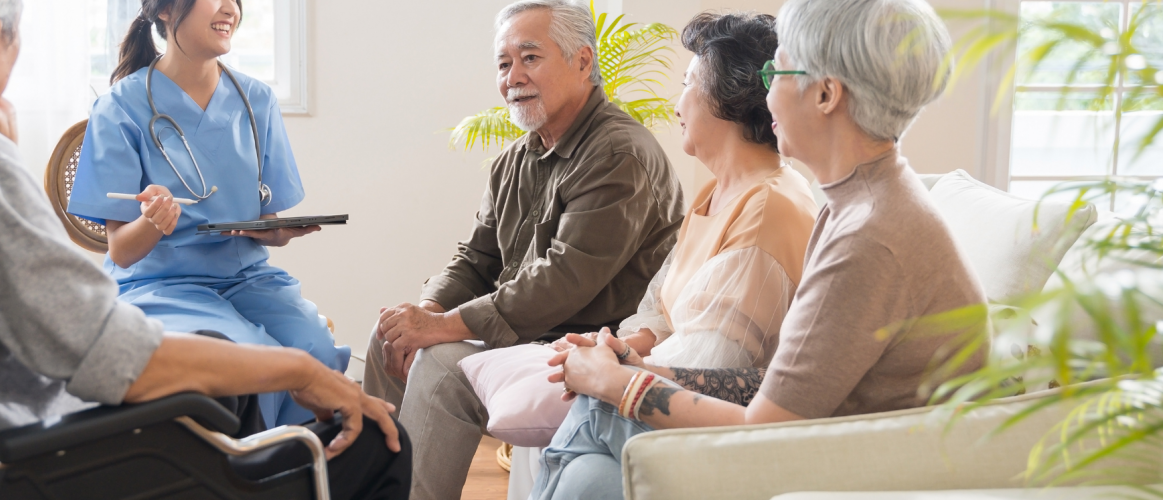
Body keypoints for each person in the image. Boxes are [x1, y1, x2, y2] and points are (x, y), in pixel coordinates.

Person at [0, 0, 409, 498]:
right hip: (35, 455)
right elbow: (120, 359)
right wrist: (303, 372)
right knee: (388, 439)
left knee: (242, 390)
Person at [543, 0, 990, 497]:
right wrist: (639, 366)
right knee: (591, 478)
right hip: (832, 446)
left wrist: (615, 384)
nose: (765, 93)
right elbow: (782, 386)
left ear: (825, 94)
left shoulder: (868, 239)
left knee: (597, 408)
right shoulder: (860, 203)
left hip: (847, 471)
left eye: (777, 71)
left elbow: (765, 433)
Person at [363, 1, 685, 498]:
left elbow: (561, 281)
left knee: (440, 363)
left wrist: (442, 328)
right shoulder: (516, 157)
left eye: (529, 57)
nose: (513, 75)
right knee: (388, 335)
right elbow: (476, 258)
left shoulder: (619, 154)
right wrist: (425, 312)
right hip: (524, 334)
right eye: (503, 62)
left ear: (582, 61)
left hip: (580, 347)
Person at [526, 12, 816, 499]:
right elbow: (661, 304)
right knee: (586, 480)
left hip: (718, 427)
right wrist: (626, 345)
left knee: (591, 409)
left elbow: (714, 361)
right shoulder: (717, 193)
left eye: (687, 84)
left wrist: (614, 373)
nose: (677, 102)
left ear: (725, 100)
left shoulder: (769, 208)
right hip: (677, 389)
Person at [65, 0, 339, 428]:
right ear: (166, 11)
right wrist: (154, 223)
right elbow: (120, 251)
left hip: (249, 278)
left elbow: (270, 218)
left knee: (315, 349)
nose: (230, 7)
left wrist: (278, 232)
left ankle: (305, 472)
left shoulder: (257, 100)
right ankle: (247, 476)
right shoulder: (120, 107)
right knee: (248, 360)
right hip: (162, 285)